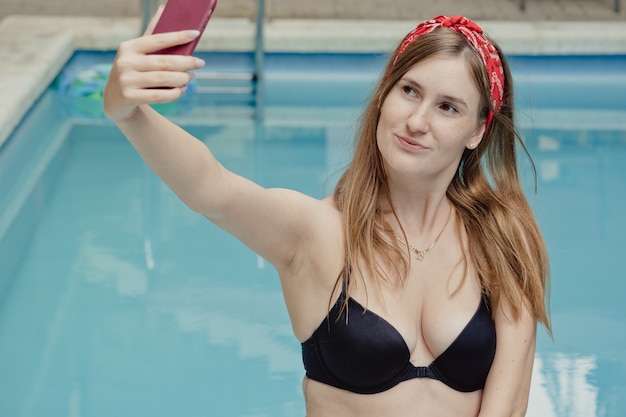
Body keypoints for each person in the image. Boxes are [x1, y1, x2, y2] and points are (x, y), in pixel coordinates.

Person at [104, 11, 550, 417]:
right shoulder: (316, 232)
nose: (417, 120)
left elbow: (508, 406)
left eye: (447, 107)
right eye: (409, 91)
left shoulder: (502, 237)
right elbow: (212, 188)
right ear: (384, 96)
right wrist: (128, 113)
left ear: (477, 130)